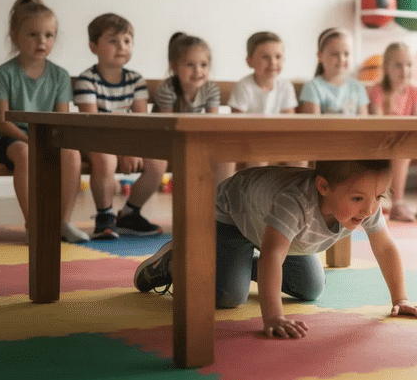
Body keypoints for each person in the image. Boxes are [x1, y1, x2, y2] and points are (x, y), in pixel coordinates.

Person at [133, 160, 417, 338]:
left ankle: (237, 264)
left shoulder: (365, 203)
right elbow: (272, 256)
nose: (370, 208)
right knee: (228, 296)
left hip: (271, 229)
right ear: (323, 187)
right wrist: (273, 317)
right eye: (358, 199)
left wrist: (402, 298)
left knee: (311, 288)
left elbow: (385, 248)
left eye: (380, 196)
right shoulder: (296, 204)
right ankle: (174, 261)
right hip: (234, 214)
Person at [0, 0, 89, 243]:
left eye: (48, 35)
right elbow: (1, 122)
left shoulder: (60, 76)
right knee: (24, 153)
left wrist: (45, 141)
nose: (42, 41)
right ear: (15, 36)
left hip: (47, 138)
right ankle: (33, 224)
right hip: (10, 139)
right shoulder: (4, 74)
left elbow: (61, 119)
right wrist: (30, 139)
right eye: (33, 34)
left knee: (72, 154)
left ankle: (63, 222)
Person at [73, 13, 165, 239]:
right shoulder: (87, 80)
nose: (122, 46)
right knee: (106, 159)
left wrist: (131, 148)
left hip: (127, 140)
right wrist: (122, 150)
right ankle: (104, 216)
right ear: (93, 46)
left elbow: (141, 121)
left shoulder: (136, 80)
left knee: (158, 162)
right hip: (93, 139)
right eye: (113, 41)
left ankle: (130, 214)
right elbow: (93, 125)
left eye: (127, 41)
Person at [368, 42, 417, 222]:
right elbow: (376, 122)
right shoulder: (378, 90)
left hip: (407, 140)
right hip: (383, 141)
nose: (405, 70)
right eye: (398, 65)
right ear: (386, 68)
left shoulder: (415, 91)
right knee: (403, 152)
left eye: (409, 65)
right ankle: (398, 204)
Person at [156, 32, 234, 182]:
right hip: (170, 139)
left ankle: (221, 200)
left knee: (227, 155)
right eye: (190, 65)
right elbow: (166, 126)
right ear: (174, 67)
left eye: (203, 65)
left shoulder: (210, 89)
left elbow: (212, 123)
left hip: (198, 138)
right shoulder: (168, 89)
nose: (198, 71)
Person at [228, 31, 298, 168]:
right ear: (249, 61)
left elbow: (290, 121)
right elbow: (236, 123)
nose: (273, 62)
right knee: (259, 158)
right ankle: (256, 189)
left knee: (300, 157)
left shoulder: (285, 86)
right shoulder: (243, 86)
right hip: (249, 140)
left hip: (278, 139)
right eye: (265, 57)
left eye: (278, 56)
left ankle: (294, 190)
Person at [299, 28, 369, 116]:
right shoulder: (312, 87)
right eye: (335, 54)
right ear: (320, 56)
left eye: (346, 54)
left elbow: (364, 123)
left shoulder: (358, 87)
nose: (341, 59)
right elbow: (313, 126)